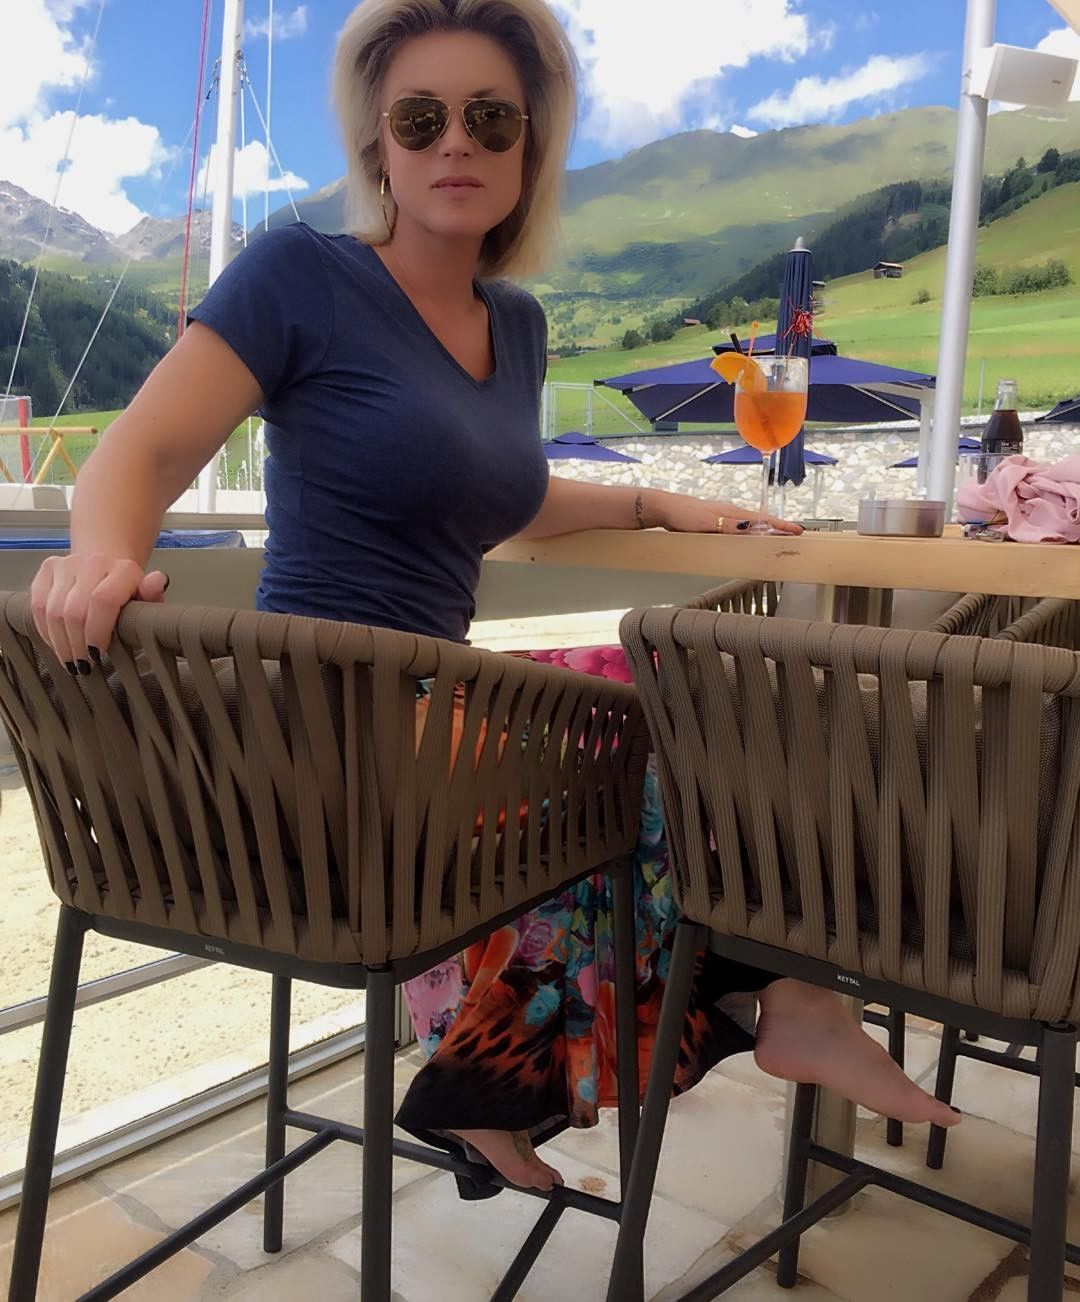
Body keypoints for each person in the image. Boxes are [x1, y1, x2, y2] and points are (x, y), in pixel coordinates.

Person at [30, 0, 958, 1199]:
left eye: (490, 119)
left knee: (716, 715)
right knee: (681, 724)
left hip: (440, 715)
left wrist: (653, 503)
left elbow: (497, 488)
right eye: (419, 118)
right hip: (325, 726)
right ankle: (753, 1008)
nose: (454, 141)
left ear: (530, 150)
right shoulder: (300, 276)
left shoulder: (514, 326)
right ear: (378, 144)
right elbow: (142, 451)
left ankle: (524, 1071)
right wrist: (101, 557)